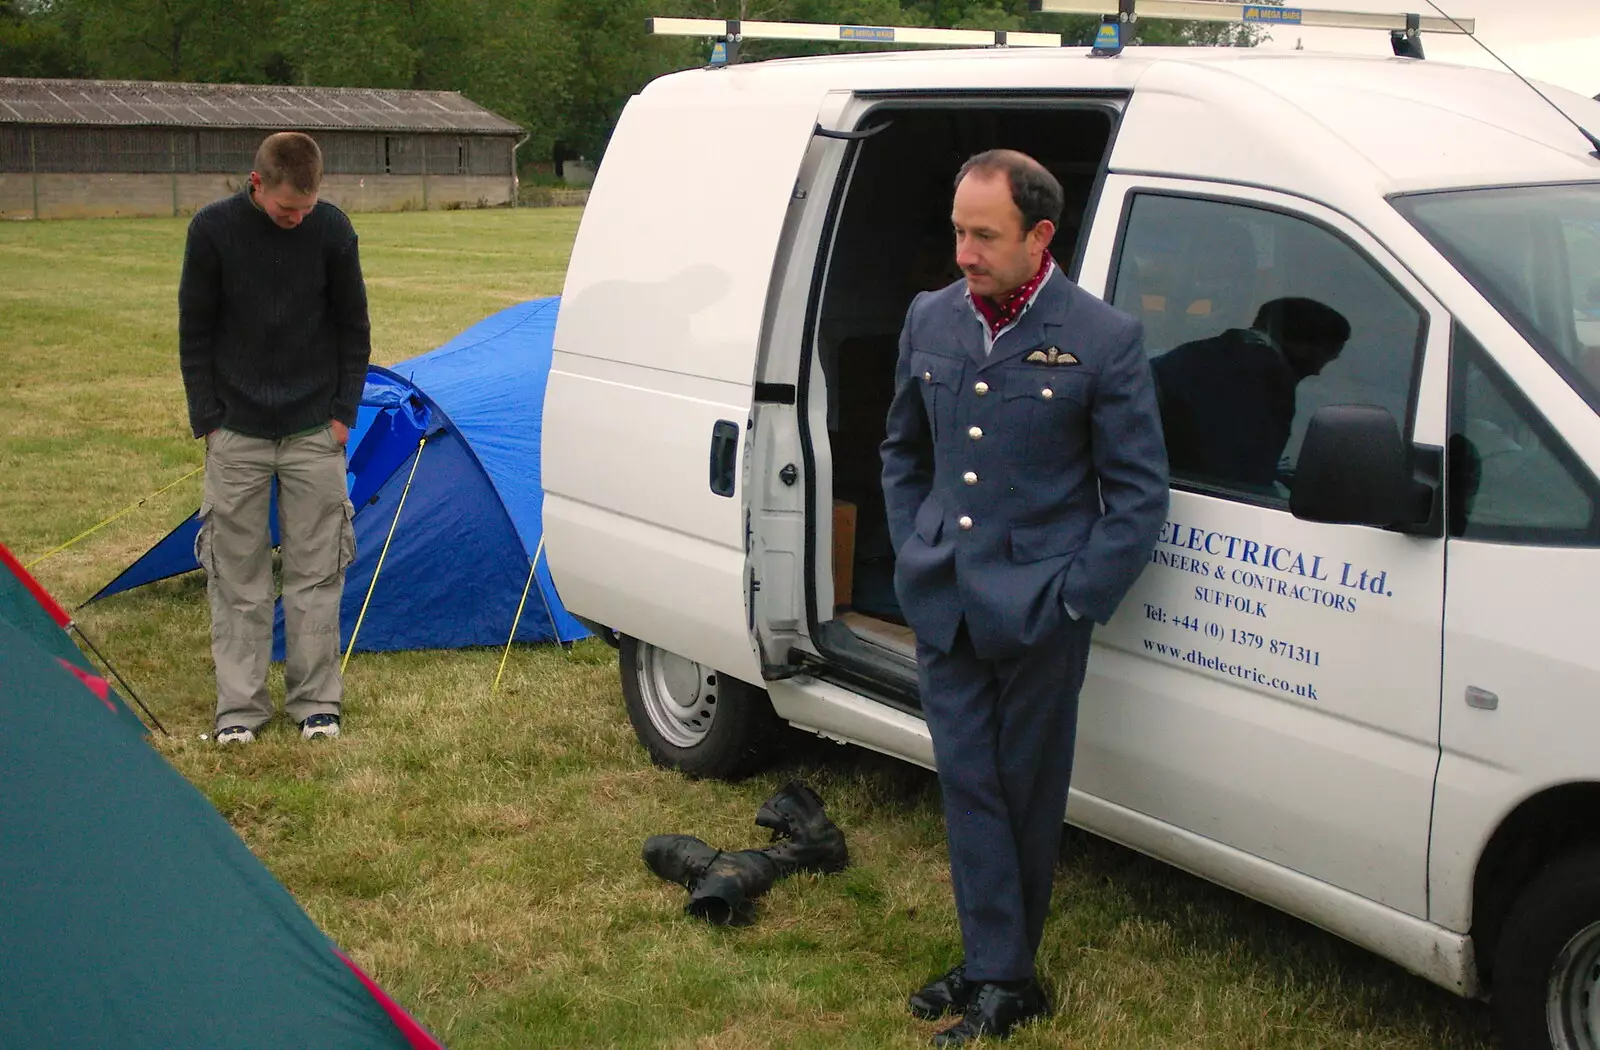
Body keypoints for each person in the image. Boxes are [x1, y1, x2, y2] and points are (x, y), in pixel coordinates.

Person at [880, 150, 1168, 1045]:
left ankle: (1002, 973)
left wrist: (1078, 599)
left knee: (1023, 788)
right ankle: (994, 965)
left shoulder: (1102, 336)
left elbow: (1137, 495)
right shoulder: (930, 317)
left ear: (1040, 235)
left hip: (1041, 608)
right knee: (967, 780)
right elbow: (903, 451)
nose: (964, 252)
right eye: (958, 231)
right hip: (945, 598)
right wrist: (914, 543)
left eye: (985, 236)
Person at [178, 131, 371, 745]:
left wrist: (342, 414)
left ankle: (317, 704)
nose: (297, 219)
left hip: (316, 430)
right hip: (235, 432)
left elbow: (353, 328)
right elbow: (195, 332)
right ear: (257, 184)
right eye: (288, 209)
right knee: (238, 577)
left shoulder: (333, 232)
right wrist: (207, 418)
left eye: (307, 209)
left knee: (316, 573)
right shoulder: (211, 231)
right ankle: (239, 709)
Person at [1151, 297, 1350, 491]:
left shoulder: (1201, 353)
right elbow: (1237, 479)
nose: (1318, 372)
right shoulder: (1262, 378)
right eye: (1327, 358)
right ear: (1303, 346)